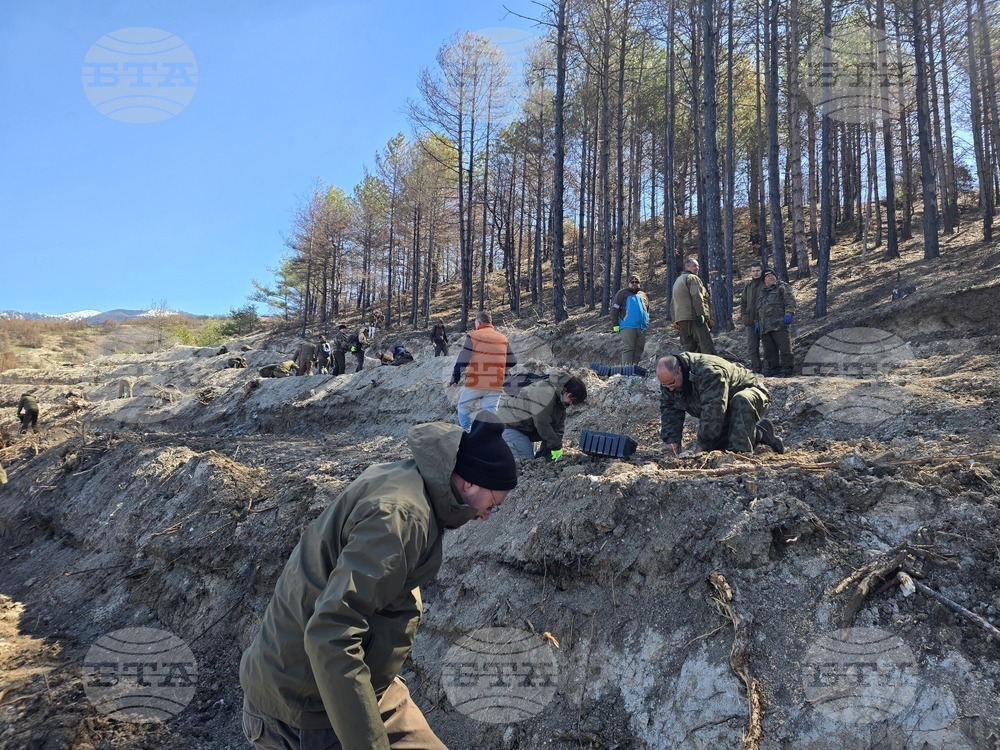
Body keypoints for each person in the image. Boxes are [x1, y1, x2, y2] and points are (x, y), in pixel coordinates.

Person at [239, 415, 518, 750]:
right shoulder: (401, 518)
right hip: (308, 705)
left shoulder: (416, 482)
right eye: (493, 505)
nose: (486, 516)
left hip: (363, 683)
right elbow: (332, 632)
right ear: (470, 483)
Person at [656, 353, 784, 455]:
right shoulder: (669, 382)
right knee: (718, 449)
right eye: (665, 385)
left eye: (671, 383)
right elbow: (670, 409)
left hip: (751, 395)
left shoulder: (709, 372)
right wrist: (672, 441)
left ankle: (740, 455)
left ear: (679, 370)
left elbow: (713, 409)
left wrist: (702, 445)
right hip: (725, 408)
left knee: (741, 401)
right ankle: (760, 433)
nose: (669, 388)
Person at [449, 311, 517, 432]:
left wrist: (455, 378)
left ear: (479, 322)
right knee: (490, 412)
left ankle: (468, 432)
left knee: (463, 406)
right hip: (495, 382)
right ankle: (488, 436)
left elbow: (463, 359)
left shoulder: (473, 336)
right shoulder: (503, 338)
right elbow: (513, 361)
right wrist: (501, 370)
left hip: (476, 381)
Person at [497, 370, 587, 460]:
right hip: (510, 425)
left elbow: (558, 427)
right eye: (571, 399)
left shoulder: (559, 400)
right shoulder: (545, 393)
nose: (570, 403)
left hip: (524, 428)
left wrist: (552, 449)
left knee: (532, 460)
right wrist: (556, 445)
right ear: (567, 392)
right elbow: (542, 423)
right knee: (525, 461)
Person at [670, 257, 717, 355]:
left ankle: (682, 363)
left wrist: (675, 319)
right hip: (694, 317)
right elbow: (697, 297)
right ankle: (712, 364)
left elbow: (672, 302)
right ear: (687, 267)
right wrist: (702, 315)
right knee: (706, 345)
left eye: (698, 266)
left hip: (681, 319)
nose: (697, 268)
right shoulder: (692, 278)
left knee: (689, 346)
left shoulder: (677, 281)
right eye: (694, 266)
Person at [756, 269, 797, 377]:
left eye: (772, 275)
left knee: (785, 349)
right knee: (770, 352)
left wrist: (789, 313)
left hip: (779, 325)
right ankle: (774, 370)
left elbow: (790, 301)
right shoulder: (763, 293)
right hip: (765, 328)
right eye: (768, 276)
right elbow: (759, 310)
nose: (771, 277)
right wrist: (757, 323)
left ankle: (787, 370)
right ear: (764, 280)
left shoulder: (782, 287)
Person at [611, 275, 650, 365]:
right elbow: (614, 310)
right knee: (629, 348)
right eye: (632, 282)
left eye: (637, 282)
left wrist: (646, 321)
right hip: (627, 326)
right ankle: (626, 370)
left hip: (641, 328)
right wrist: (615, 326)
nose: (634, 284)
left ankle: (634, 368)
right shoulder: (622, 293)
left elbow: (647, 309)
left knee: (639, 349)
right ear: (628, 283)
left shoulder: (643, 295)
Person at [739, 261, 765, 373]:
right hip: (750, 322)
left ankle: (768, 369)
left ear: (761, 271)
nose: (755, 273)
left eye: (757, 270)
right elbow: (743, 303)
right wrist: (744, 317)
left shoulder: (765, 284)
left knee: (767, 347)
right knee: (752, 348)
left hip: (764, 321)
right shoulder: (748, 286)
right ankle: (756, 369)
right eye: (753, 271)